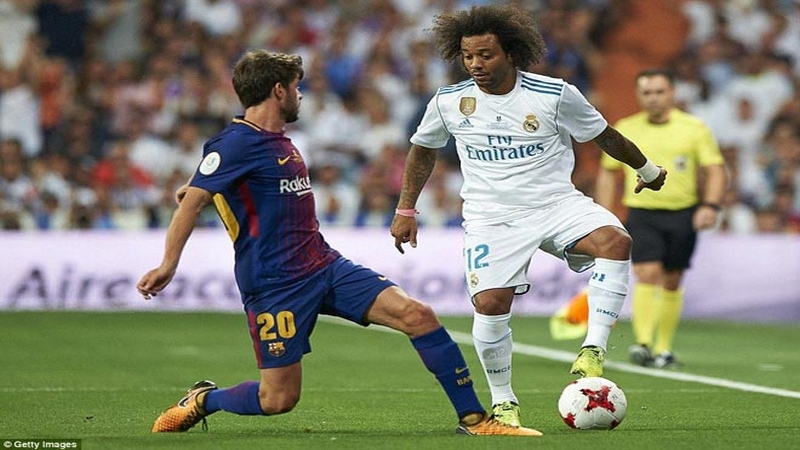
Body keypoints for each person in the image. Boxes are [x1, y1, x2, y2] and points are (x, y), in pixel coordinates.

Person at [136, 50, 541, 437]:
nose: (300, 95)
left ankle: (474, 419)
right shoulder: (236, 143)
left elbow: (217, 187)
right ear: (278, 90)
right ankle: (205, 400)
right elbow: (191, 203)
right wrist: (168, 263)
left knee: (417, 315)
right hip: (276, 284)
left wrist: (202, 187)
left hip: (324, 265)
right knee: (277, 399)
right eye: (296, 87)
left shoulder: (277, 139)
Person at [389, 5, 667, 429]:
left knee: (616, 241)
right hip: (492, 217)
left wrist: (647, 171)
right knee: (489, 304)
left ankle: (593, 349)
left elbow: (605, 136)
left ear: (511, 53)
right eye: (468, 56)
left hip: (556, 204)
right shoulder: (449, 102)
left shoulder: (554, 95)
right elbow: (423, 150)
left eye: (486, 55)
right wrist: (406, 208)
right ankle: (504, 403)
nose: (475, 64)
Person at [594, 68, 727, 369]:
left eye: (659, 92)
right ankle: (643, 343)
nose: (653, 98)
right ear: (638, 95)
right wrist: (604, 212)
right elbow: (608, 171)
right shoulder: (626, 128)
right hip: (642, 213)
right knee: (647, 272)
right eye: (647, 92)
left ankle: (663, 348)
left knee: (672, 279)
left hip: (683, 212)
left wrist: (710, 205)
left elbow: (715, 169)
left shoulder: (694, 128)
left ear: (672, 93)